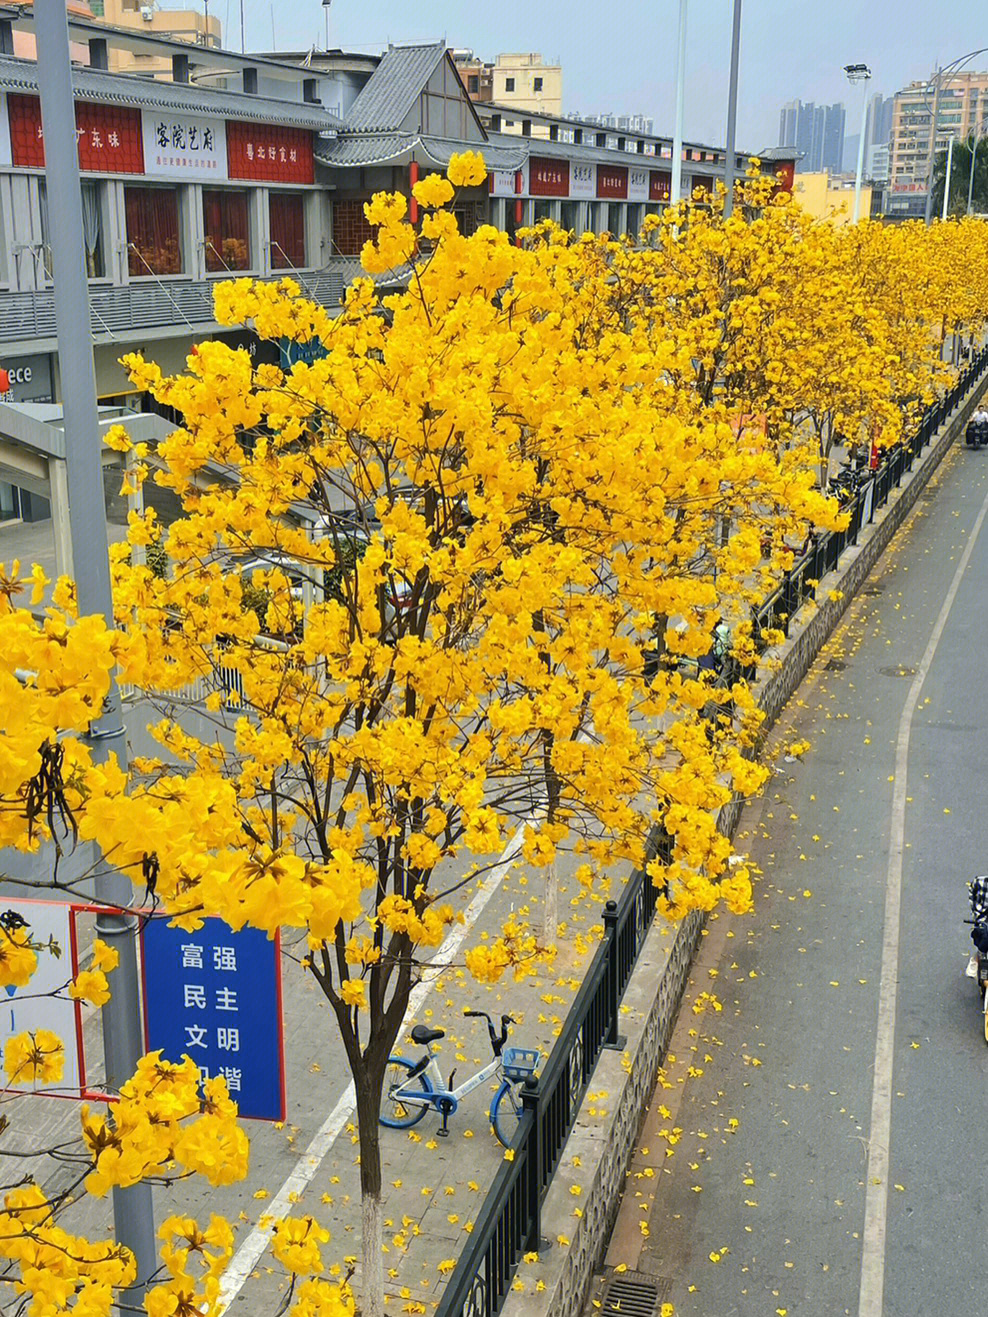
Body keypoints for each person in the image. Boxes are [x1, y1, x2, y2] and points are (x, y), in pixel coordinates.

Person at [967, 876, 988, 977]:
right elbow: (972, 891)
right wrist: (975, 911)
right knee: (985, 936)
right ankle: (976, 959)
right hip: (983, 920)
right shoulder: (980, 881)